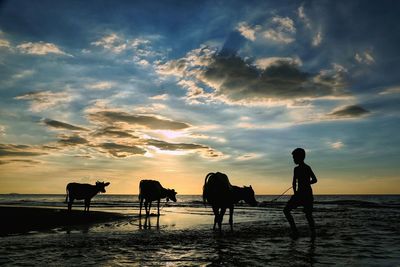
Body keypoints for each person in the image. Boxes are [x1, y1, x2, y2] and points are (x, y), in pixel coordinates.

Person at [283, 148, 317, 239]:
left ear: (300, 157)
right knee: (307, 214)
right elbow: (294, 183)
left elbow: (315, 180)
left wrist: (305, 184)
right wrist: (295, 192)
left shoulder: (305, 168)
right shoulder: (298, 169)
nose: (293, 159)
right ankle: (299, 231)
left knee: (307, 214)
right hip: (302, 194)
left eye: (294, 157)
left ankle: (299, 232)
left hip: (305, 194)